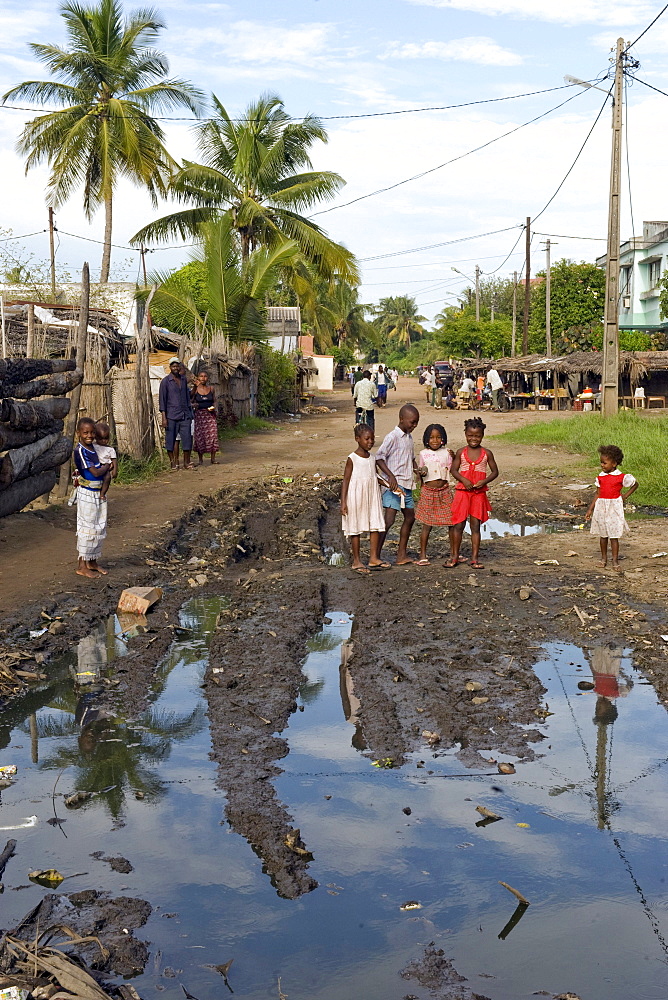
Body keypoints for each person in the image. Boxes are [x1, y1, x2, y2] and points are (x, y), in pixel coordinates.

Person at [448, 416, 498, 569]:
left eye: (477, 436)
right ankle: (455, 556)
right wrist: (464, 480)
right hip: (462, 493)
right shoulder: (461, 452)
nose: (473, 439)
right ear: (465, 434)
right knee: (458, 525)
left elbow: (495, 472)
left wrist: (484, 481)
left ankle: (475, 558)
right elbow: (453, 470)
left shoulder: (486, 453)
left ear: (482, 435)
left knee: (475, 526)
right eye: (470, 435)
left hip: (478, 493)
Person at [340, 424, 390, 574]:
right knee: (355, 528)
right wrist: (343, 502)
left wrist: (390, 485)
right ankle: (357, 561)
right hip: (355, 497)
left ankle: (373, 558)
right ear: (357, 439)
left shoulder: (372, 458)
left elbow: (375, 476)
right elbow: (346, 480)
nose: (370, 442)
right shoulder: (352, 458)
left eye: (372, 439)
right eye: (367, 439)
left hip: (371, 496)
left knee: (374, 523)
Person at [375, 404, 420, 565]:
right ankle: (375, 556)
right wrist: (391, 476)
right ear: (402, 419)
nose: (414, 426)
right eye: (412, 422)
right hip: (393, 487)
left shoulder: (409, 437)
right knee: (388, 521)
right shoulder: (392, 437)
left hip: (406, 485)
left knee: (410, 517)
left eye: (416, 423)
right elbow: (379, 457)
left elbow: (411, 458)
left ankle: (401, 555)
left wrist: (417, 470)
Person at [584, 445, 637, 571]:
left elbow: (635, 485)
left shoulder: (621, 477)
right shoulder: (600, 477)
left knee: (614, 536)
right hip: (601, 508)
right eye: (601, 462)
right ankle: (603, 559)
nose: (602, 465)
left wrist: (624, 496)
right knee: (603, 535)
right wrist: (590, 509)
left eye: (604, 463)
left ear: (614, 464)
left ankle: (615, 560)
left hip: (614, 508)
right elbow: (598, 494)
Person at [73, 417, 113, 578]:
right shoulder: (80, 451)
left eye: (92, 432)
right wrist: (107, 467)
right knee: (87, 528)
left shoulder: (93, 448)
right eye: (85, 433)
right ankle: (82, 565)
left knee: (99, 526)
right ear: (79, 434)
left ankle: (92, 561)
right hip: (87, 492)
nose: (89, 435)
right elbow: (96, 472)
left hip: (97, 492)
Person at [415, 423, 455, 566]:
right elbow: (420, 472)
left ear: (443, 439)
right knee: (427, 524)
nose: (435, 440)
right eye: (431, 438)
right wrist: (420, 473)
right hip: (428, 492)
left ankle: (454, 553)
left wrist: (454, 457)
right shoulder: (423, 454)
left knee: (452, 522)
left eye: (438, 437)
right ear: (426, 439)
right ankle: (423, 555)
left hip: (444, 491)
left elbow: (452, 468)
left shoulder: (447, 453)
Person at [159, 358, 195, 471]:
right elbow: (162, 400)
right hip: (171, 415)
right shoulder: (165, 381)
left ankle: (186, 463)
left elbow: (187, 396)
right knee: (170, 440)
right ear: (170, 367)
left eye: (177, 366)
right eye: (173, 366)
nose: (176, 368)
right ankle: (173, 463)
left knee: (187, 439)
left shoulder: (183, 380)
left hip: (185, 414)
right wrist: (164, 418)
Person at [191, 370, 219, 465]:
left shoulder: (211, 389)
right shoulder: (195, 390)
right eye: (201, 376)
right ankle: (200, 459)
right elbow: (190, 400)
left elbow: (215, 400)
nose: (203, 378)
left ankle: (213, 459)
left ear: (208, 378)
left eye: (205, 376)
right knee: (200, 437)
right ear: (198, 378)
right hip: (199, 416)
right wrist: (194, 405)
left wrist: (214, 407)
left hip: (210, 415)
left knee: (213, 435)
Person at [93, 421, 117, 501]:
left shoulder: (110, 449)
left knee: (107, 478)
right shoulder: (92, 446)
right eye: (101, 439)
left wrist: (115, 470)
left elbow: (114, 460)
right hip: (95, 466)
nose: (103, 441)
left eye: (106, 438)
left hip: (105, 467)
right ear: (95, 437)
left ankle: (102, 493)